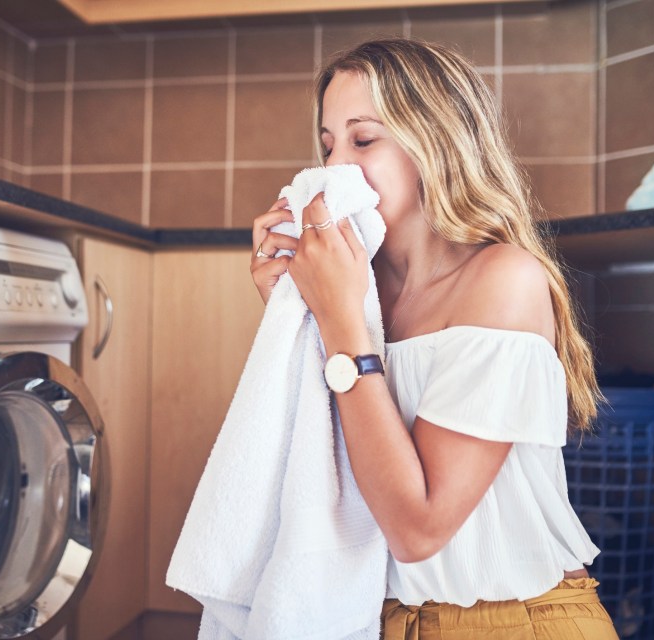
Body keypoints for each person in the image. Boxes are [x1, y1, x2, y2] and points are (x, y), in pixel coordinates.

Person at [249, 38, 618, 639]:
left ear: (437, 144)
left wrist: (338, 322)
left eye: (363, 139)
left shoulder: (502, 280)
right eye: (327, 144)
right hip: (384, 618)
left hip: (516, 620)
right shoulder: (359, 297)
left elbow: (417, 529)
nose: (332, 167)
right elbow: (329, 473)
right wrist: (293, 317)